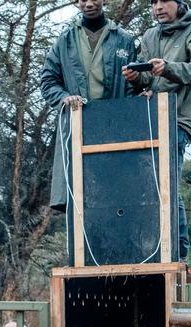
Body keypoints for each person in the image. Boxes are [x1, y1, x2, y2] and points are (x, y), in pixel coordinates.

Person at [121, 0, 191, 260]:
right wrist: (136, 77)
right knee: (148, 186)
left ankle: (179, 254)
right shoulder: (150, 35)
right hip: (150, 118)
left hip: (177, 120)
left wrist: (169, 67)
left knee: (168, 186)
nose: (158, 7)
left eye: (164, 1)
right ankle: (151, 251)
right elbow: (148, 79)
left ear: (179, 3)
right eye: (153, 2)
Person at [42, 0, 139, 212]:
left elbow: (135, 87)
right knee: (78, 197)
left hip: (114, 128)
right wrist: (64, 98)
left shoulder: (124, 40)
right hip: (78, 126)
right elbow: (48, 81)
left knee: (116, 197)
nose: (88, 3)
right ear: (77, 3)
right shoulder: (64, 40)